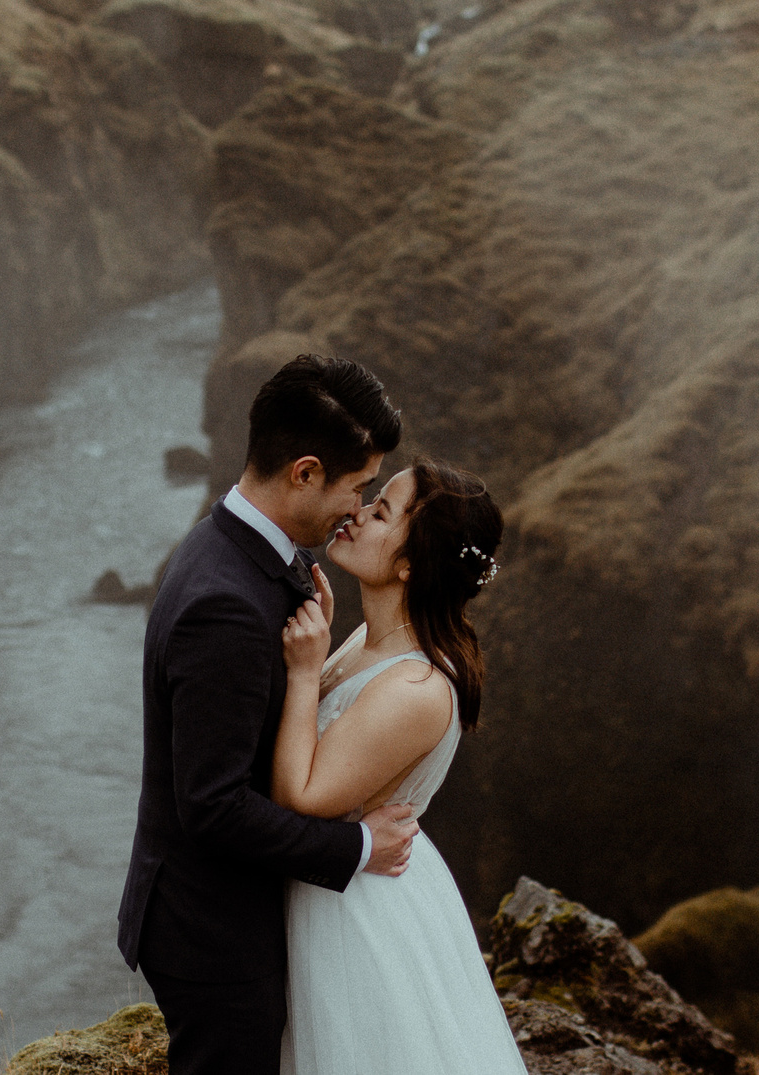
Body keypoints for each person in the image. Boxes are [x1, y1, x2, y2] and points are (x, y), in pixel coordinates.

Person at [118, 354, 421, 1075]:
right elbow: (213, 806)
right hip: (212, 932)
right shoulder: (223, 603)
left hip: (224, 912)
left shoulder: (243, 549)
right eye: (358, 487)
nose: (358, 508)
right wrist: (355, 849)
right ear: (305, 472)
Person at [273, 456, 519, 1073]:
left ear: (410, 565)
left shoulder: (417, 685)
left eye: (380, 511)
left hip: (355, 913)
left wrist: (305, 673)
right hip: (333, 882)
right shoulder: (368, 639)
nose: (356, 512)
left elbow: (301, 795)